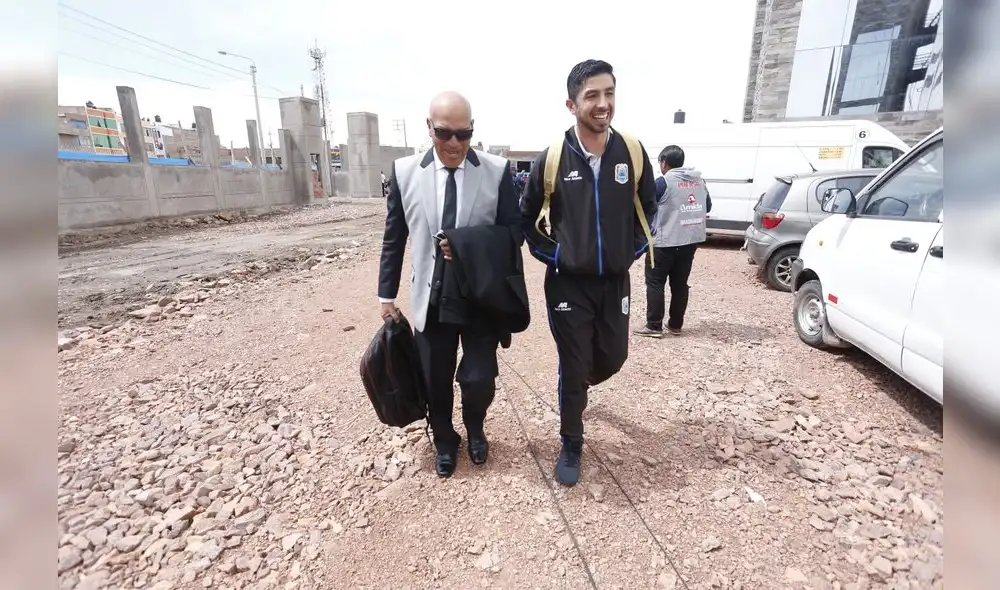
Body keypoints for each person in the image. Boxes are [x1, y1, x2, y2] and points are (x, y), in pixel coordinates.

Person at [520, 59, 657, 487]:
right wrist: (558, 256)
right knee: (574, 361)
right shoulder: (553, 158)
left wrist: (630, 250)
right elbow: (527, 219)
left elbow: (649, 209)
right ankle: (571, 442)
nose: (603, 103)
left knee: (614, 358)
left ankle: (577, 384)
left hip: (614, 280)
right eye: (592, 95)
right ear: (571, 104)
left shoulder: (632, 152)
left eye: (609, 93)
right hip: (568, 283)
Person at [377, 91, 521, 478]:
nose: (455, 143)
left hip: (479, 297)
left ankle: (475, 427)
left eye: (464, 133)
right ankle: (444, 439)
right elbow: (394, 237)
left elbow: (514, 233)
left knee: (479, 378)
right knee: (434, 379)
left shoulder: (496, 171)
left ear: (472, 129)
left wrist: (466, 245)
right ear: (429, 128)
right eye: (444, 133)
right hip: (432, 296)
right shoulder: (405, 172)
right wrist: (386, 295)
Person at [633, 145, 712, 338]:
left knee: (655, 282)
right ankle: (676, 324)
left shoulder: (663, 182)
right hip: (689, 242)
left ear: (664, 162)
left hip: (664, 242)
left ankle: (654, 326)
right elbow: (707, 206)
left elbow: (645, 206)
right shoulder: (699, 181)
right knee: (680, 284)